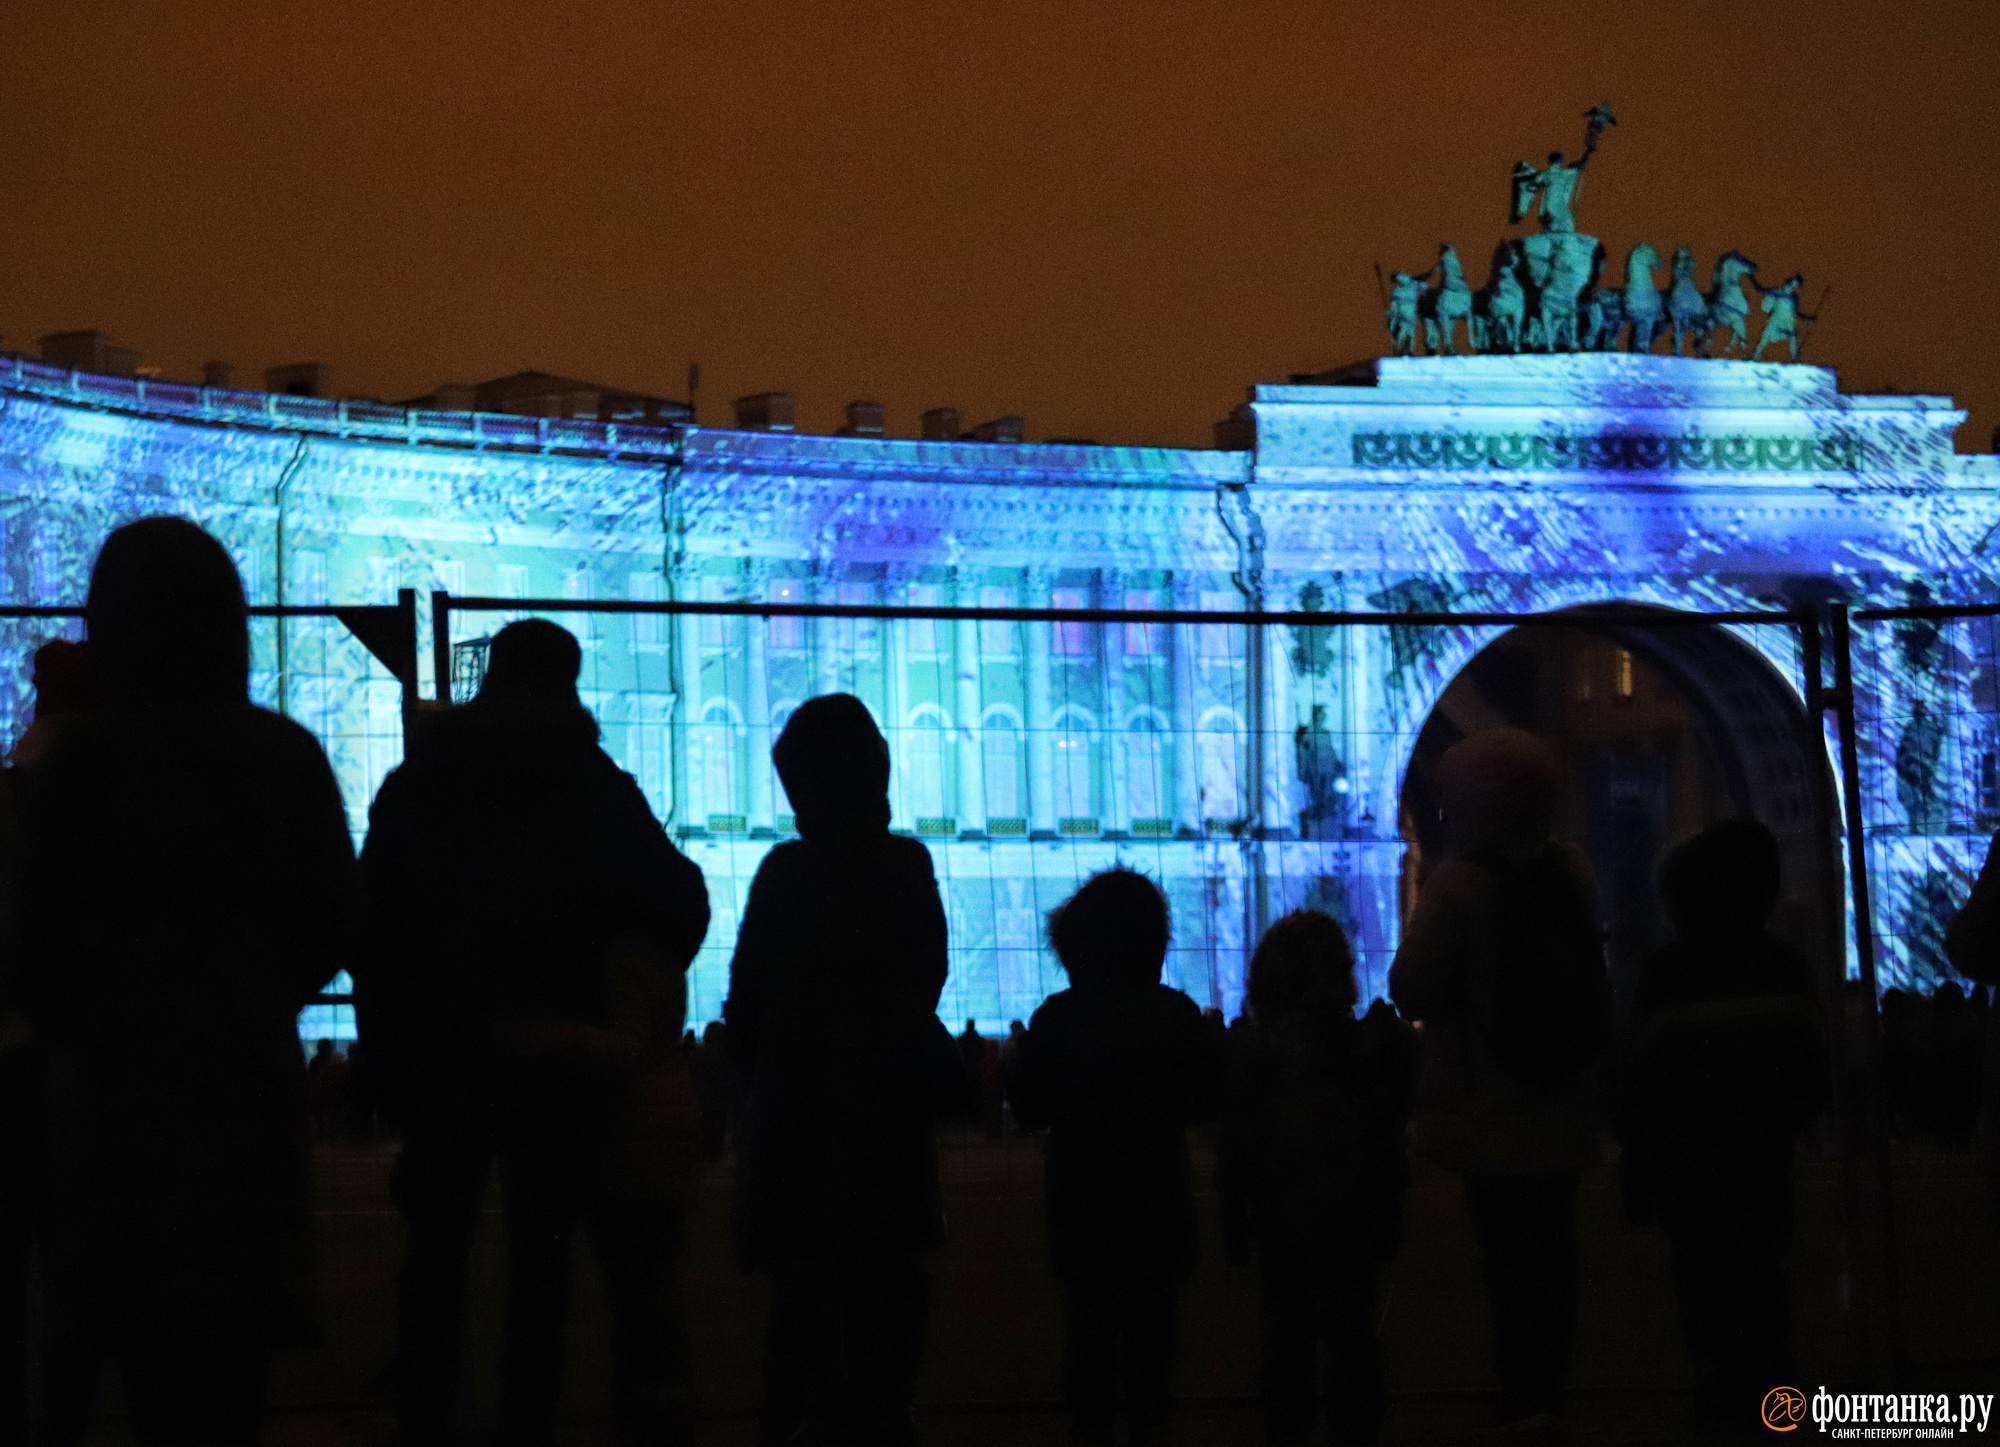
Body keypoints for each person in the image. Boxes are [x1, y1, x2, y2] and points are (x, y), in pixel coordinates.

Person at [8, 517, 360, 1445]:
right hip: (242, 1088)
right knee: (220, 1385)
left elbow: (31, 937)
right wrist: (253, 993)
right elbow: (332, 918)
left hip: (111, 1096)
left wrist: (83, 1018)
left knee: (96, 1343)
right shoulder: (283, 754)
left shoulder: (84, 763)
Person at [358, 617, 709, 1446]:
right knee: (539, 1259)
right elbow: (678, 898)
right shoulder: (590, 783)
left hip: (443, 1053)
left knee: (436, 1251)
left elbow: (370, 921)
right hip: (554, 1057)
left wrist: (390, 1048)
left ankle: (427, 1408)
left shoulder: (423, 779)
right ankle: (525, 1416)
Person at [724, 694, 956, 1446]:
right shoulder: (906, 864)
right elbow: (928, 975)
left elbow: (748, 998)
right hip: (886, 1122)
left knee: (799, 1317)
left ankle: (797, 1420)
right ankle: (884, 1418)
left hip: (799, 1124)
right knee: (888, 1312)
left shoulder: (785, 872)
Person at [1388, 728, 1610, 1442]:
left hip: (1490, 1097)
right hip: (1566, 1094)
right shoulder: (1571, 867)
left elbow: (1410, 987)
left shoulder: (1457, 882)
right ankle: (1550, 1386)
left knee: (1508, 1251)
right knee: (1556, 1245)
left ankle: (1520, 1392)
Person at [1616, 821, 1825, 1438]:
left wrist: (1637, 1157)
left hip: (1689, 1163)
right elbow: (1809, 1062)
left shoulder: (1667, 971)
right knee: (1764, 1281)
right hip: (1763, 1158)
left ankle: (1720, 1393)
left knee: (1702, 1283)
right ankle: (1774, 1403)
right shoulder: (1786, 965)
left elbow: (1639, 1075)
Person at [1010, 868, 1221, 1445]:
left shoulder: (1058, 1017)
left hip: (1082, 1206)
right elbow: (1205, 1097)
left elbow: (1028, 1107)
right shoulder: (1175, 1013)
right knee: (1153, 1353)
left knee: (1089, 1346)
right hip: (1158, 1200)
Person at [1216, 911, 1416, 1445]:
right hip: (1353, 1212)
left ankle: (1290, 1426)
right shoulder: (1365, 1047)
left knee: (1286, 1339)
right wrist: (1391, 1214)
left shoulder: (1255, 1052)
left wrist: (1234, 1220)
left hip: (1282, 1216)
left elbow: (1236, 1147)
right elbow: (1387, 1143)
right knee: (1353, 1334)